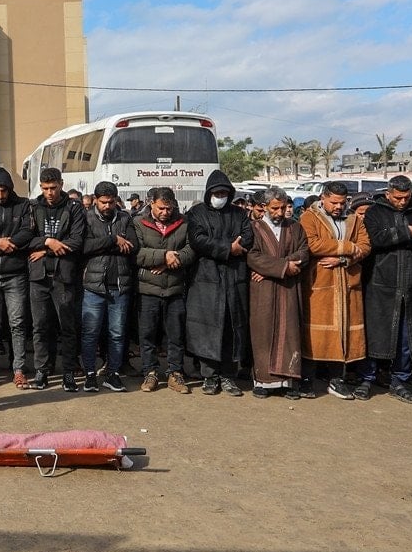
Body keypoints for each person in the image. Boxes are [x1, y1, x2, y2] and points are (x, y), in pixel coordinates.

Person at [360, 175, 412, 405]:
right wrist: (408, 231)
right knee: (375, 332)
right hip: (380, 282)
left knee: (407, 336)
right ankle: (367, 377)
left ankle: (400, 379)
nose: (402, 202)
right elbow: (375, 239)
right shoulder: (375, 212)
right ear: (388, 194)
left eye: (406, 197)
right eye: (398, 198)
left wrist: (410, 236)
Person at [299, 181, 372, 400]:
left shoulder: (354, 219)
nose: (339, 207)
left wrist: (343, 260)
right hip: (319, 284)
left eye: (342, 203)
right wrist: (348, 247)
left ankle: (336, 380)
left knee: (342, 334)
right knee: (315, 335)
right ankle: (306, 380)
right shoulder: (309, 217)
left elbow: (365, 246)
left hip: (348, 284)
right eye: (334, 202)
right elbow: (313, 245)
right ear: (323, 198)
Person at [186, 170, 253, 396]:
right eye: (217, 193)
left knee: (232, 328)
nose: (220, 197)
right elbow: (198, 240)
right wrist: (228, 248)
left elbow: (247, 237)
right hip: (206, 279)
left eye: (224, 193)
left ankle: (228, 376)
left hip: (234, 278)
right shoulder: (196, 213)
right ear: (208, 194)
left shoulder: (239, 214)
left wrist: (233, 247)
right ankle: (209, 376)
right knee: (207, 328)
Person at [246, 188, 310, 399]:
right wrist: (282, 267)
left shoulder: (295, 227)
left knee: (289, 332)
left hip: (288, 288)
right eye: (275, 208)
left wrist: (280, 267)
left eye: (283, 208)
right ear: (264, 207)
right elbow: (252, 256)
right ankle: (262, 381)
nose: (280, 212)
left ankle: (289, 382)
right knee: (262, 332)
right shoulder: (253, 228)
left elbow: (303, 252)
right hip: (263, 290)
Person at [28, 167, 87, 391]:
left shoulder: (74, 207)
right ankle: (42, 370)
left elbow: (76, 242)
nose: (49, 193)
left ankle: (69, 372)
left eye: (53, 188)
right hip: (39, 276)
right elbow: (26, 239)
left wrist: (46, 250)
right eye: (45, 188)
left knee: (67, 327)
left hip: (64, 276)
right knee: (40, 326)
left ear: (61, 184)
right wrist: (48, 242)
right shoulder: (34, 207)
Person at [80, 181, 138, 393]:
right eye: (103, 202)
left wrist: (103, 246)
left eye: (111, 202)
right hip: (93, 286)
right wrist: (113, 239)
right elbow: (84, 247)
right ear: (95, 200)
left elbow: (133, 247)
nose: (107, 206)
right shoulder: (86, 218)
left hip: (120, 286)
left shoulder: (125, 218)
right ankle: (89, 374)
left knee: (117, 333)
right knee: (90, 333)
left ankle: (113, 373)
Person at [0, 167, 35, 389]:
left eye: (3, 191)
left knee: (18, 324)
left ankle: (19, 370)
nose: (0, 195)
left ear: (10, 189)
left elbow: (27, 233)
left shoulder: (23, 206)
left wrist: (2, 246)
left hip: (15, 274)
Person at [133, 187, 193, 393]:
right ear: (152, 204)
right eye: (161, 208)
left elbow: (191, 249)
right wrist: (162, 255)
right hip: (148, 289)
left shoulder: (184, 223)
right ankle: (150, 372)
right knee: (147, 334)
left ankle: (175, 373)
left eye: (169, 208)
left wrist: (171, 261)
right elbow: (136, 252)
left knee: (176, 335)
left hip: (175, 288)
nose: (165, 212)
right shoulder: (139, 223)